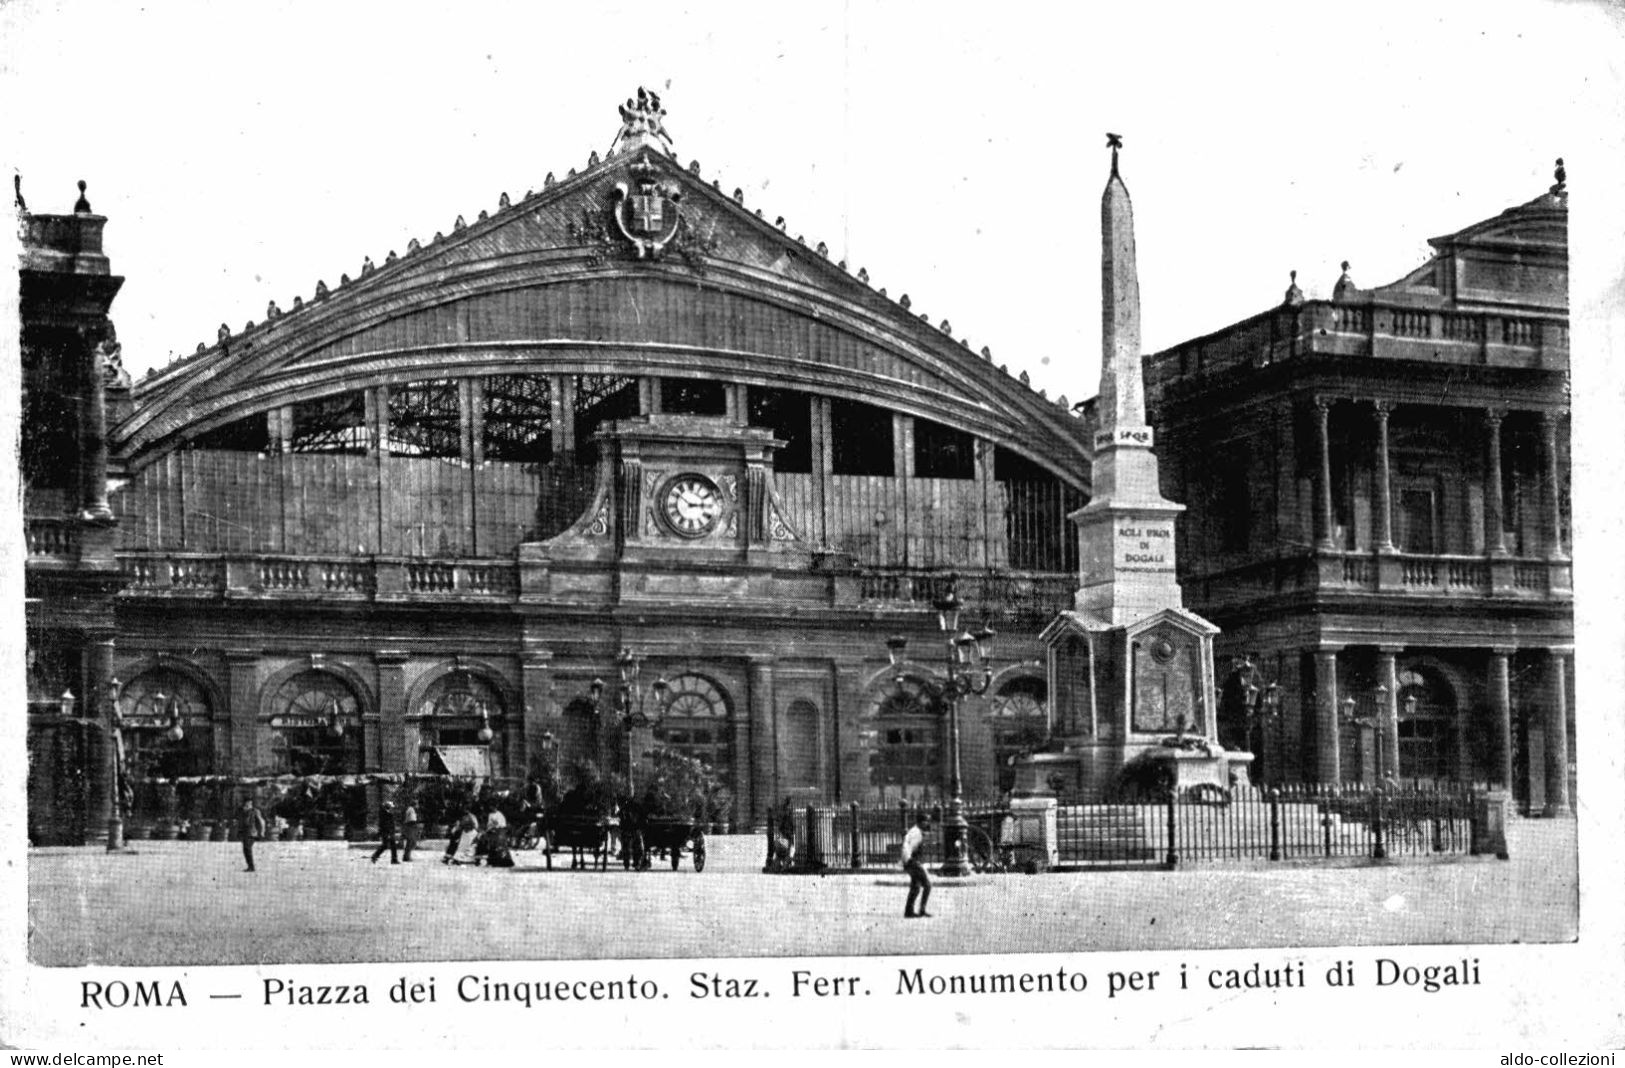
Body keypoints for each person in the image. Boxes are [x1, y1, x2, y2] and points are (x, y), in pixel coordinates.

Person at [901, 811, 932, 918]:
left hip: (910, 862)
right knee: (927, 885)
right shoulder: (916, 833)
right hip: (913, 863)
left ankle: (909, 911)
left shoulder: (915, 831)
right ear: (921, 822)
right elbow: (909, 848)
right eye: (926, 821)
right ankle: (921, 910)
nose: (927, 823)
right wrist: (913, 862)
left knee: (916, 886)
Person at [236, 797, 266, 873]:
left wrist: (262, 832)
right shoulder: (242, 812)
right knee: (246, 849)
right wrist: (239, 831)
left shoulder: (255, 811)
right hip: (245, 833)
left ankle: (251, 867)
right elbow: (241, 823)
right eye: (245, 803)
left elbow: (261, 822)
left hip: (252, 833)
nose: (246, 805)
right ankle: (250, 866)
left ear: (251, 804)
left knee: (247, 848)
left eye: (248, 803)